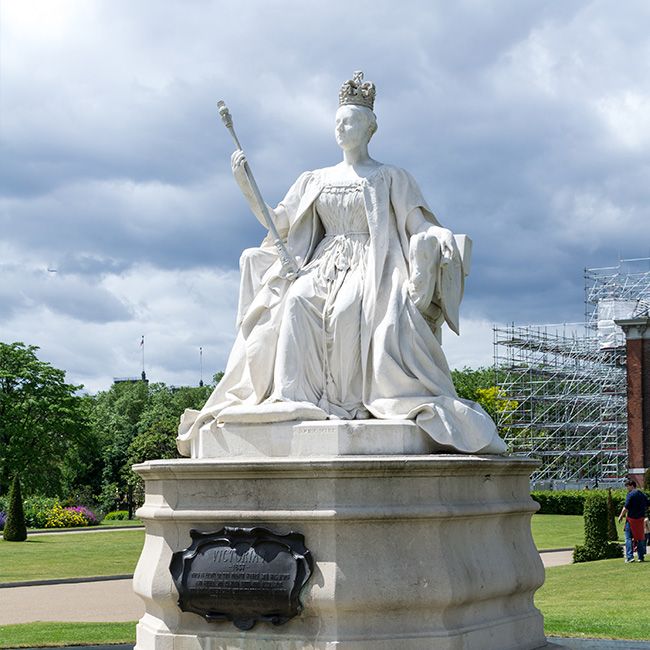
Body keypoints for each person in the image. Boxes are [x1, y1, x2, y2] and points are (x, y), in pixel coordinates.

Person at [177, 72, 506, 457]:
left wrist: (437, 233)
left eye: (349, 121)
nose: (341, 127)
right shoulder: (314, 178)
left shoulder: (391, 177)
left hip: (373, 262)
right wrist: (246, 187)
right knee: (297, 299)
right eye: (337, 121)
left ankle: (349, 405)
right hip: (322, 263)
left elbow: (419, 224)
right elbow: (277, 223)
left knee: (352, 307)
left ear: (370, 128)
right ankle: (292, 396)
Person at [618, 478, 649, 563]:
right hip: (640, 519)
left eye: (627, 486)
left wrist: (621, 516)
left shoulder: (630, 494)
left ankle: (630, 557)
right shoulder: (642, 494)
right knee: (639, 538)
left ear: (632, 486)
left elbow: (626, 507)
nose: (627, 488)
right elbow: (647, 504)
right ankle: (640, 557)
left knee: (628, 538)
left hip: (631, 519)